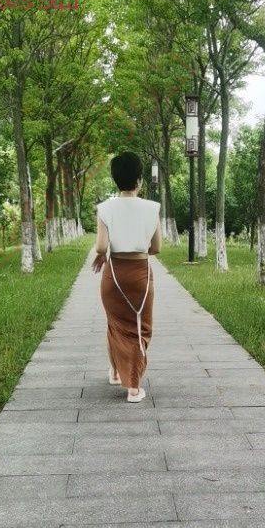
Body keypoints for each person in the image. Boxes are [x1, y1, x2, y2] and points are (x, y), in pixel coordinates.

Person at [92, 152, 162, 403]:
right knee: (139, 327)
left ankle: (115, 372)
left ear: (115, 179)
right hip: (140, 275)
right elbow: (156, 248)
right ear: (139, 179)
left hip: (114, 276)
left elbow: (101, 247)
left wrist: (103, 254)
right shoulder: (152, 208)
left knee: (115, 325)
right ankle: (133, 388)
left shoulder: (105, 208)